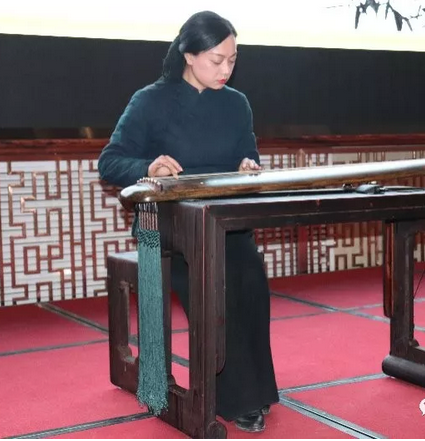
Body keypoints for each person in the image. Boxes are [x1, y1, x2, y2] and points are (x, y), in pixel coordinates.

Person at [98, 11, 279, 433]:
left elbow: (249, 156)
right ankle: (236, 396)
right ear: (189, 54)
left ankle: (253, 390)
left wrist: (249, 168)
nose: (225, 69)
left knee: (249, 277)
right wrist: (148, 168)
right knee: (218, 283)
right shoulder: (150, 101)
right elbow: (110, 161)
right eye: (217, 60)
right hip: (168, 227)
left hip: (222, 221)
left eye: (232, 60)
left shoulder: (236, 104)